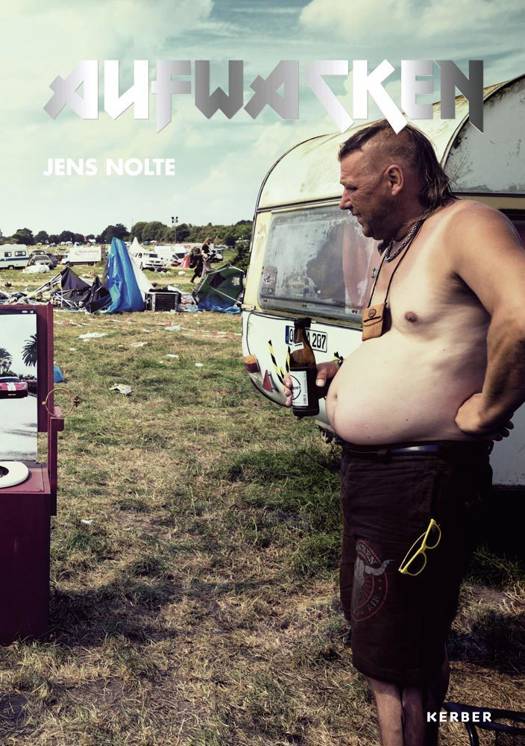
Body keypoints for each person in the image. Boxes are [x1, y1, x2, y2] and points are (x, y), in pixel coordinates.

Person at [283, 120, 525, 746]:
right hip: (378, 475)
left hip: (422, 479)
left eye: (352, 187)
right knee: (388, 631)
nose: (343, 201)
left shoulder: (465, 226)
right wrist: (344, 373)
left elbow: (522, 313)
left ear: (395, 179)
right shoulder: (397, 250)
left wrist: (489, 409)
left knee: (395, 660)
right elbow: (413, 345)